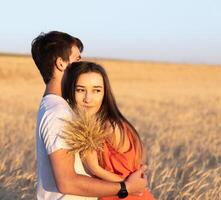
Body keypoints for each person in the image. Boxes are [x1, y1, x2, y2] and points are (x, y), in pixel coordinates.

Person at [31, 31, 147, 200]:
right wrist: (126, 187)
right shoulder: (57, 113)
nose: (82, 64)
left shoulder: (60, 108)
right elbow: (66, 182)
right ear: (61, 63)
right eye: (77, 59)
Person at [62, 61, 155, 200]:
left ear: (105, 94)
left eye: (96, 90)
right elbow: (141, 159)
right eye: (80, 90)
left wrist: (96, 169)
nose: (88, 99)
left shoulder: (108, 127)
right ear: (71, 91)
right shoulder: (116, 122)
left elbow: (133, 184)